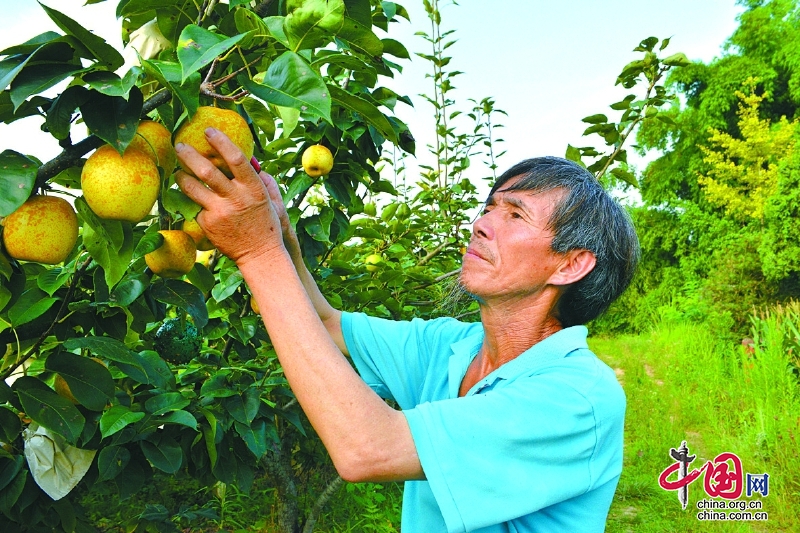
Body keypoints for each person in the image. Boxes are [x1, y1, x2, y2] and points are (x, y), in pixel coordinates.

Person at [175, 128, 640, 533]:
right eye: (489, 208)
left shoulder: (577, 399)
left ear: (571, 264)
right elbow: (326, 323)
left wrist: (257, 252)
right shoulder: (450, 346)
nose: (480, 225)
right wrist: (279, 236)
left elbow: (367, 449)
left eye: (515, 215)